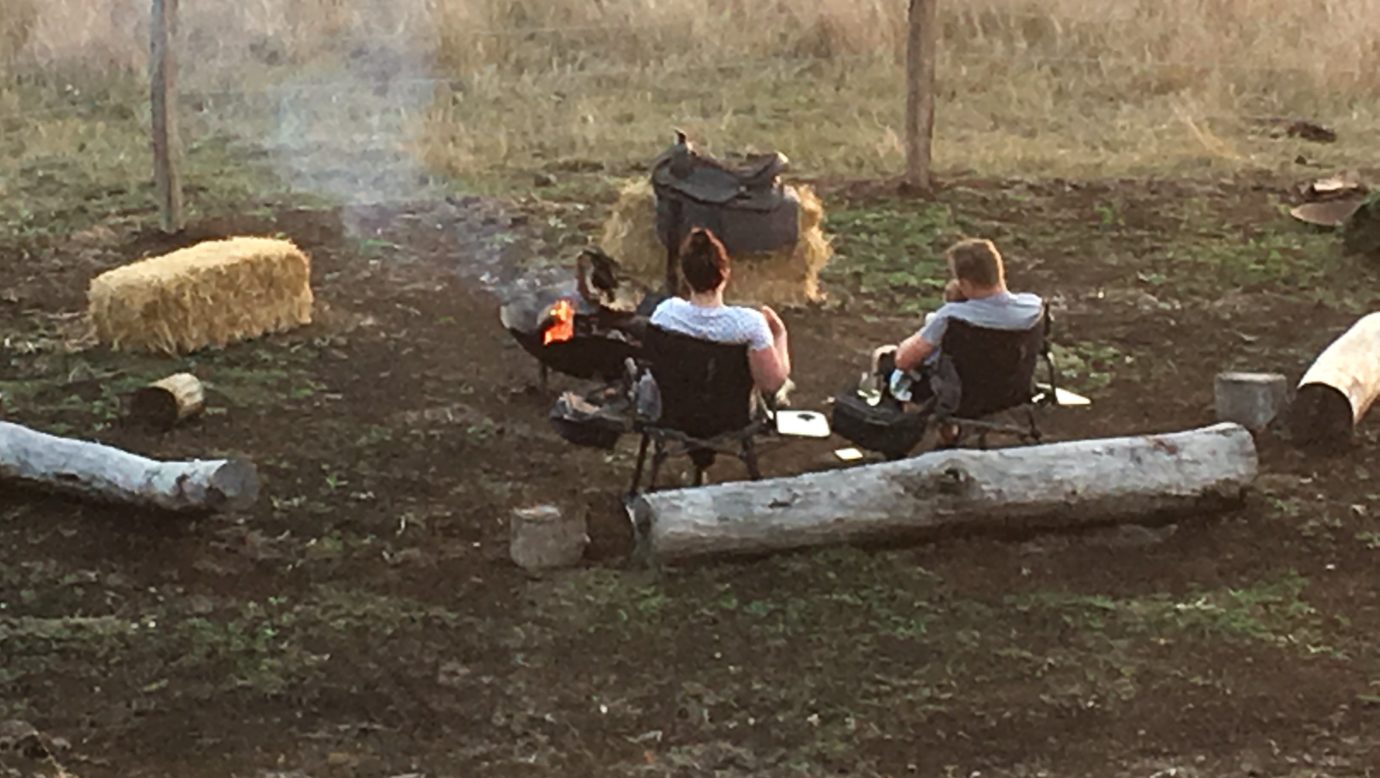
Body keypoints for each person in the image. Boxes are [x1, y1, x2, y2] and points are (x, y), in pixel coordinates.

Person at [872, 237, 1043, 402]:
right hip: (1012, 393)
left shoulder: (952, 318)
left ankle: (884, 424)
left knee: (885, 358)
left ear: (966, 284)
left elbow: (904, 361)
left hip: (959, 399)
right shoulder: (1035, 308)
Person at [648, 227, 792, 395]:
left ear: (685, 275)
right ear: (725, 274)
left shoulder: (665, 314)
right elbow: (772, 384)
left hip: (675, 417)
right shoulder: (750, 325)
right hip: (733, 420)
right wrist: (780, 334)